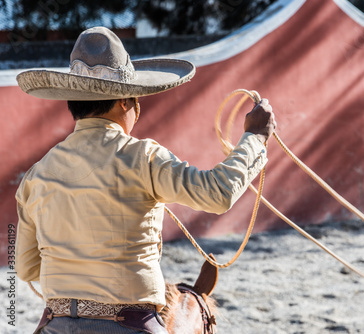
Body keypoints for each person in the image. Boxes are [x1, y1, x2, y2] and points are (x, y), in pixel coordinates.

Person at [15, 26, 276, 333]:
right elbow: (217, 193)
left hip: (56, 325)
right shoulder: (142, 157)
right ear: (125, 102)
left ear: (74, 103)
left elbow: (27, 267)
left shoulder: (37, 175)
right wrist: (255, 138)